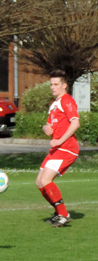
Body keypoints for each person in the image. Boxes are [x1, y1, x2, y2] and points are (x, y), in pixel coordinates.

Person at [37, 70, 79, 227]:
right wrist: (45, 127)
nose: (52, 87)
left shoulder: (67, 100)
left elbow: (75, 123)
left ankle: (63, 214)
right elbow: (50, 124)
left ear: (64, 85)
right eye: (51, 84)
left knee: (45, 180)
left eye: (56, 84)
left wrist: (59, 140)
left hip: (66, 148)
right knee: (39, 183)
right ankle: (58, 212)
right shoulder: (54, 104)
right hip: (56, 149)